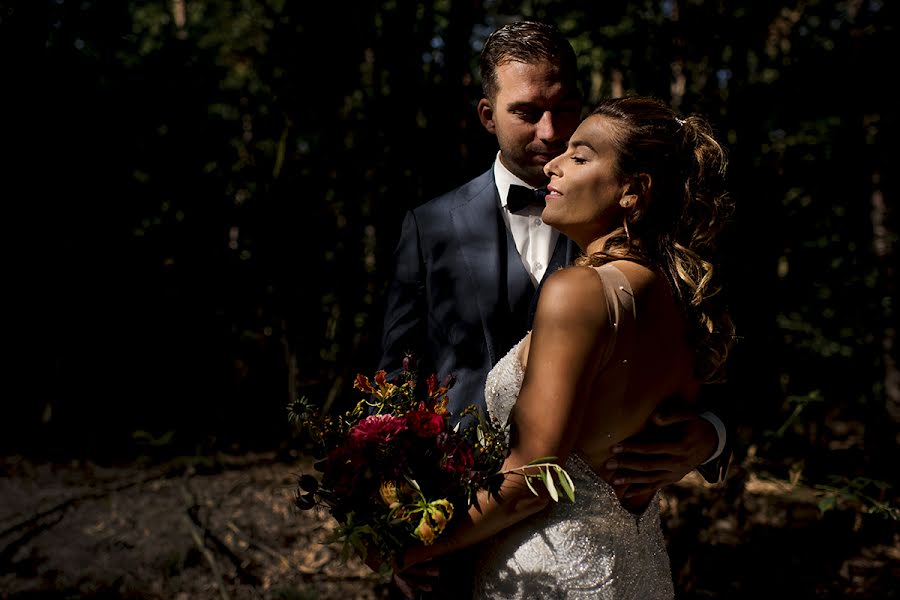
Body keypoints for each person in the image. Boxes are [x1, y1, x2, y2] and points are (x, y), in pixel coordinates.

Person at [377, 20, 730, 597]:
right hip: (458, 534)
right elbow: (397, 383)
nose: (551, 136)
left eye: (566, 110)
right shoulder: (430, 226)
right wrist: (403, 523)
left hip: (567, 552)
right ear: (488, 115)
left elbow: (718, 362)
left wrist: (711, 434)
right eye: (526, 113)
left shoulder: (659, 264)